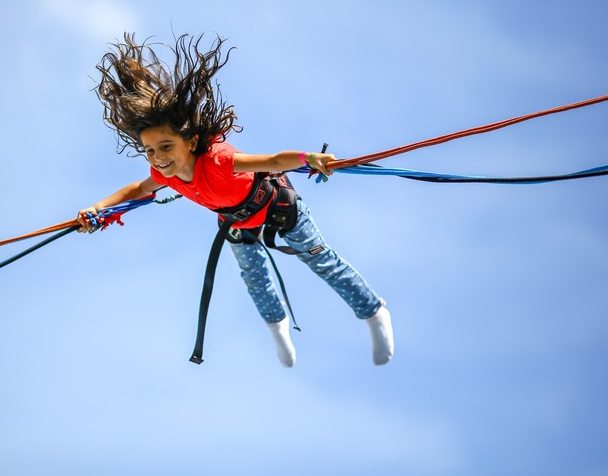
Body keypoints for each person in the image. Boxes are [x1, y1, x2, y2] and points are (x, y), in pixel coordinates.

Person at [77, 34, 393, 367]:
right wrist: (98, 210)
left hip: (280, 210)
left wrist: (308, 158)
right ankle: (279, 331)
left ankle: (374, 313)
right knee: (255, 281)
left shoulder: (219, 160)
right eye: (150, 151)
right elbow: (137, 190)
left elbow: (272, 162)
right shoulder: (165, 176)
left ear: (191, 141)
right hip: (238, 222)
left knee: (322, 263)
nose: (157, 158)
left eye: (166, 147)